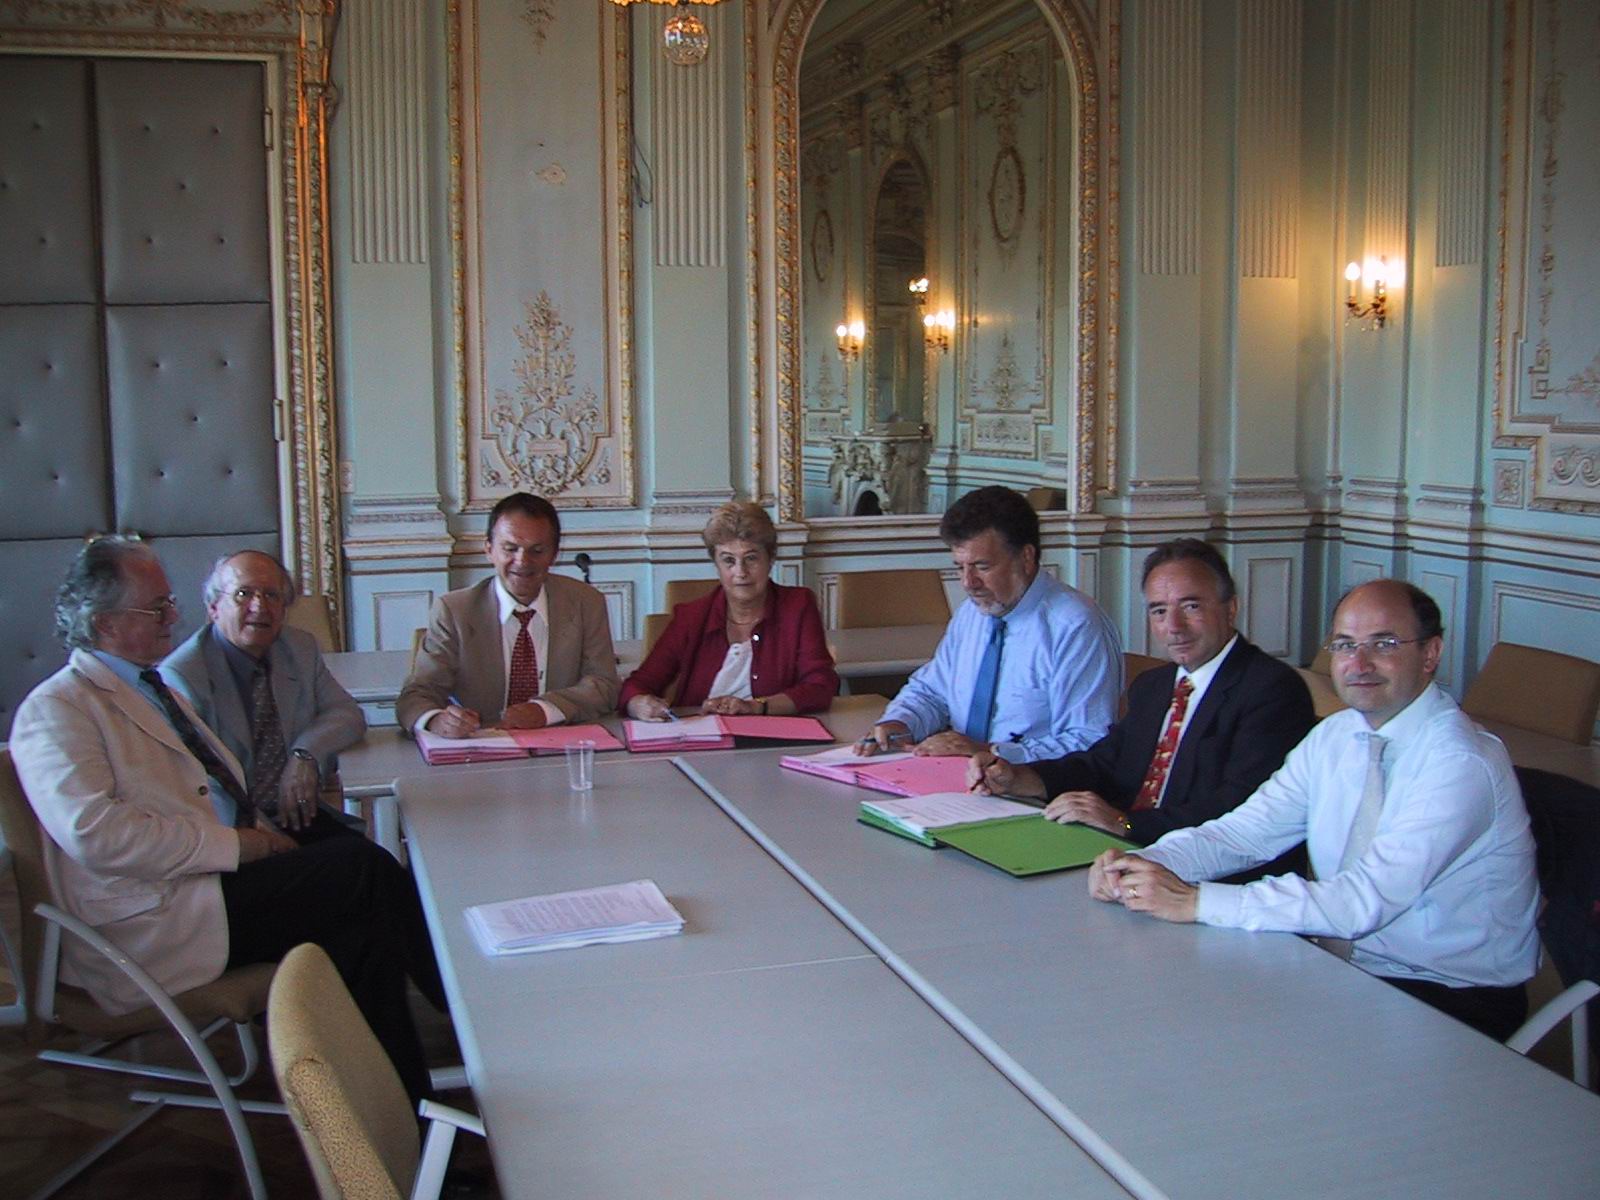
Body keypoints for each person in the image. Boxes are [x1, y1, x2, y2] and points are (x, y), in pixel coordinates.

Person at [9, 537, 448, 1101]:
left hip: (202, 888)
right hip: (149, 922)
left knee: (360, 922)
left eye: (169, 603)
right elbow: (97, 835)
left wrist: (257, 840)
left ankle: (394, 1113)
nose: (174, 616)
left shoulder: (149, 687)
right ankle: (457, 1015)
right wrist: (242, 847)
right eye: (157, 607)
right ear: (105, 622)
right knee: (360, 869)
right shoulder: (57, 709)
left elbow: (213, 785)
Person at [1089, 579, 1540, 1041]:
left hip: (1447, 992)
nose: (1359, 663)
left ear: (1430, 653)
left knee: (1231, 1041)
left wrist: (1198, 901)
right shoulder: (1336, 735)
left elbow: (1363, 902)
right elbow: (1245, 833)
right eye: (1345, 645)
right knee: (1174, 1011)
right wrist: (1149, 863)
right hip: (1344, 967)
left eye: (1383, 643)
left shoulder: (1458, 762)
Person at [968, 538, 1315, 845]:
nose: (1173, 627)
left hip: (1206, 870)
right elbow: (1104, 764)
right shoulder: (1155, 686)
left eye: (1191, 606)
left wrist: (1125, 824)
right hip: (1127, 853)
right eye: (1159, 611)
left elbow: (1240, 808)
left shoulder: (1272, 690)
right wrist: (1023, 778)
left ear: (1231, 608)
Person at [857, 485, 1121, 760]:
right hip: (959, 781)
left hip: (1037, 791)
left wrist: (991, 753)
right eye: (960, 567)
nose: (968, 583)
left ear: (1026, 558)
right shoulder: (973, 613)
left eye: (982, 567)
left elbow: (1088, 741)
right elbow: (932, 691)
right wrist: (900, 723)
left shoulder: (1075, 625)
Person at [162, 549, 365, 839]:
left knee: (378, 865)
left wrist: (304, 754)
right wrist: (262, 837)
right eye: (243, 594)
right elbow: (198, 786)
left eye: (271, 595)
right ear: (214, 607)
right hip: (231, 832)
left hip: (296, 814)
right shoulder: (182, 677)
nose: (259, 606)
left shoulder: (299, 647)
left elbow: (348, 714)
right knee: (362, 871)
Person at [397, 491, 620, 737]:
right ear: (489, 550)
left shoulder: (586, 602)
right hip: (481, 747)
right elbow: (416, 694)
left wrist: (544, 710)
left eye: (537, 550)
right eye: (510, 548)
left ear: (555, 554)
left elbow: (604, 685)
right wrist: (436, 720)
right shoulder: (455, 610)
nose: (522, 561)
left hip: (561, 743)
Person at [619, 501, 839, 718]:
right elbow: (636, 686)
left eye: (751, 558)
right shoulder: (691, 617)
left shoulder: (798, 606)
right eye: (728, 561)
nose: (740, 572)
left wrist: (756, 706)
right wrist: (638, 704)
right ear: (716, 563)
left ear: (771, 559)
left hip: (775, 743)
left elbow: (821, 687)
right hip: (702, 742)